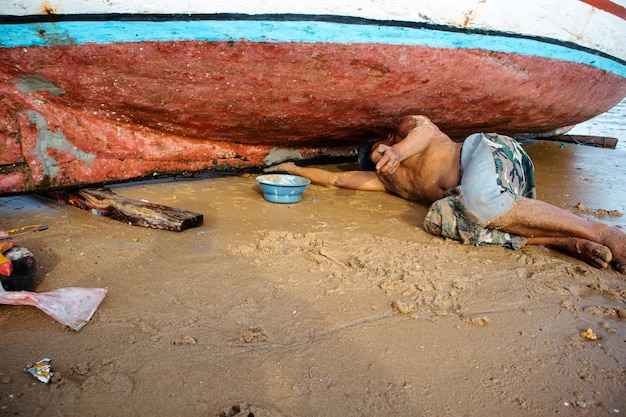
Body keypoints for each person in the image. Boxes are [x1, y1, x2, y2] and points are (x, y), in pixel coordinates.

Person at [265, 115, 626, 273]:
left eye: (378, 151)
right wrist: (295, 170)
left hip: (489, 154)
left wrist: (398, 150)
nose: (380, 162)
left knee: (479, 202)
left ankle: (604, 233)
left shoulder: (408, 132)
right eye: (374, 162)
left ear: (387, 141)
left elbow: (424, 129)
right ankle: (561, 240)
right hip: (492, 197)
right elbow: (337, 182)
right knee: (439, 219)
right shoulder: (389, 181)